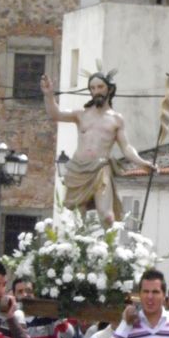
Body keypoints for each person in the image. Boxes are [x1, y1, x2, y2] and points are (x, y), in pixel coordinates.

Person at [40, 70, 156, 226]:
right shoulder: (81, 114)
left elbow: (126, 147)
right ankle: (79, 248)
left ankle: (109, 249)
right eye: (93, 88)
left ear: (109, 89)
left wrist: (142, 163)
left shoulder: (116, 119)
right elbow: (56, 114)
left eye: (100, 87)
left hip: (101, 169)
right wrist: (48, 95)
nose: (96, 91)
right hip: (78, 169)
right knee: (78, 218)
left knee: (107, 215)